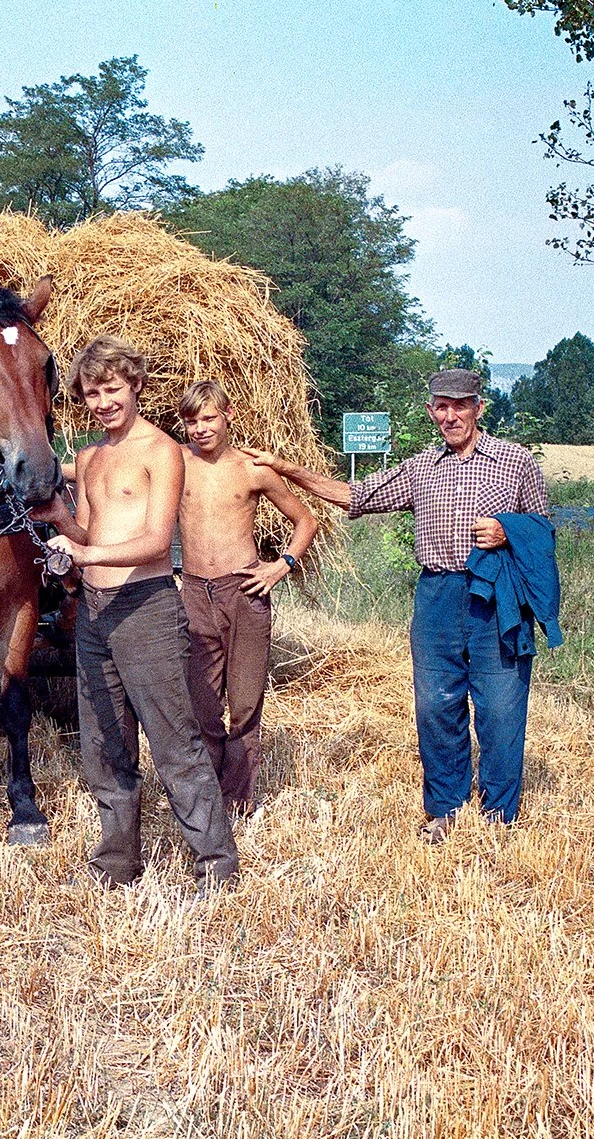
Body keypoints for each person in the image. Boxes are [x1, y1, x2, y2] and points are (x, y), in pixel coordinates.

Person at [248, 367, 553, 845]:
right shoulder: (421, 468)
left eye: (461, 405)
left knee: (500, 708)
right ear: (431, 411)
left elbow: (544, 531)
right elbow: (355, 494)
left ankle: (499, 817)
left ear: (479, 406)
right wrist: (286, 469)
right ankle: (446, 808)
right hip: (436, 598)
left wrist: (507, 532)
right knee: (436, 706)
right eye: (442, 407)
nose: (451, 416)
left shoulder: (516, 462)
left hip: (497, 596)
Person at [35, 339, 240, 894]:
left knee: (175, 745)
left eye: (112, 389)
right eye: (91, 393)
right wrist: (60, 533)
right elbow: (85, 532)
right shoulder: (91, 458)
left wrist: (88, 554)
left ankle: (215, 866)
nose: (102, 402)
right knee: (104, 747)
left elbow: (153, 543)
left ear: (136, 386)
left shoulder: (161, 450)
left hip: (146, 609)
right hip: (94, 614)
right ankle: (116, 866)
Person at [175, 380, 318, 819]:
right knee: (200, 704)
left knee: (245, 703)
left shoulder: (253, 470)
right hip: (195, 591)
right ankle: (208, 795)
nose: (200, 429)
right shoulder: (176, 463)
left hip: (244, 592)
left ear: (228, 414)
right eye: (192, 421)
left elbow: (305, 520)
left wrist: (282, 566)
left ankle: (237, 801)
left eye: (209, 418)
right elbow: (105, 464)